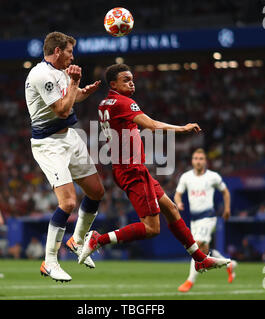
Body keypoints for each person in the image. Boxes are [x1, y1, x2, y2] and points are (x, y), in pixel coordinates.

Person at [79, 63, 230, 273]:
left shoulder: (105, 102)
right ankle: (98, 239)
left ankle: (199, 258)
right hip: (132, 170)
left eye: (132, 79)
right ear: (113, 84)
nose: (131, 83)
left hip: (126, 167)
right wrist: (183, 128)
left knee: (171, 208)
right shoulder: (124, 103)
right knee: (151, 228)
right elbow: (152, 125)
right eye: (125, 80)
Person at [25, 31, 104, 282]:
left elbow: (68, 100)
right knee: (68, 202)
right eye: (69, 51)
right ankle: (49, 262)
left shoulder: (60, 72)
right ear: (57, 51)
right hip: (49, 144)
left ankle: (77, 240)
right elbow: (61, 109)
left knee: (96, 191)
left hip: (69, 136)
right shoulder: (40, 75)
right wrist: (73, 85)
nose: (73, 56)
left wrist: (82, 92)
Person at [174, 148, 237, 292]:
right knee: (204, 252)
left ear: (205, 161)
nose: (198, 161)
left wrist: (227, 209)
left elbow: (225, 191)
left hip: (208, 217)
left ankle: (189, 281)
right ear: (192, 161)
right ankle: (229, 264)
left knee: (194, 246)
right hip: (194, 220)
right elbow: (178, 194)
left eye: (201, 158)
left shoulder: (213, 176)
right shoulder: (186, 177)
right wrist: (178, 203)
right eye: (196, 158)